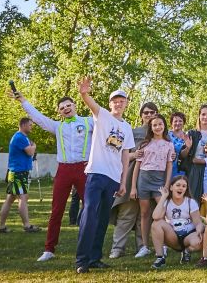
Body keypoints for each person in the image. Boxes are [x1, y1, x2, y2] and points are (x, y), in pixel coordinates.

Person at [15, 91, 95, 262]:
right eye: (62, 107)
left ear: (75, 106)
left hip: (84, 168)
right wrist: (23, 101)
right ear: (59, 112)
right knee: (57, 210)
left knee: (90, 209)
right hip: (64, 170)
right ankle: (49, 249)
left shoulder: (89, 121)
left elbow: (106, 128)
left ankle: (91, 248)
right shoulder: (57, 126)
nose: (66, 108)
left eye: (68, 105)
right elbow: (37, 117)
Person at [74, 80, 135, 274]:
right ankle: (81, 260)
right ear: (110, 104)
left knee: (102, 219)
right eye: (115, 101)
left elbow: (125, 155)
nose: (118, 103)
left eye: (122, 101)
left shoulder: (127, 127)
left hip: (113, 177)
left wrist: (123, 181)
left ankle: (94, 258)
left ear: (126, 104)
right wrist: (84, 94)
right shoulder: (103, 115)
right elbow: (90, 103)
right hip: (96, 173)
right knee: (90, 213)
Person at [109, 100, 157, 259]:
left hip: (150, 180)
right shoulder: (130, 131)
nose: (149, 115)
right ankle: (117, 248)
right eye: (146, 113)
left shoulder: (161, 134)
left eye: (152, 112)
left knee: (145, 216)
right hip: (130, 178)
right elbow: (114, 152)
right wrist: (133, 155)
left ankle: (143, 246)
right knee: (127, 214)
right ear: (141, 115)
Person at [131, 112, 176, 258]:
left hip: (159, 180)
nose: (157, 127)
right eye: (154, 125)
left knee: (162, 214)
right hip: (143, 179)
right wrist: (133, 187)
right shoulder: (144, 144)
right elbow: (137, 167)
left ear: (164, 126)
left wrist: (167, 184)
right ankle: (144, 246)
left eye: (160, 124)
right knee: (144, 214)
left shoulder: (169, 145)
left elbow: (169, 166)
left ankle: (163, 244)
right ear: (151, 127)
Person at [0, 116, 38, 234]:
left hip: (18, 172)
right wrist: (34, 146)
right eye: (30, 125)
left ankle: (1, 226)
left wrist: (31, 146)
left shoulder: (22, 137)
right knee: (23, 198)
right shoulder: (19, 137)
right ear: (23, 125)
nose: (31, 127)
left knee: (10, 199)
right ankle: (27, 225)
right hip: (18, 172)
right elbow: (30, 152)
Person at [149, 175, 202, 268]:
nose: (181, 188)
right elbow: (155, 216)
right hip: (173, 236)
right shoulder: (167, 202)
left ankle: (187, 252)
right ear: (171, 187)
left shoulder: (190, 202)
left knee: (197, 243)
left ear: (186, 189)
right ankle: (160, 257)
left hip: (188, 236)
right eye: (178, 185)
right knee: (156, 223)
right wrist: (163, 197)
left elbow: (198, 222)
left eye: (184, 186)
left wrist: (199, 231)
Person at [185, 104, 207, 202]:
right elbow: (183, 156)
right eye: (203, 114)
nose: (205, 117)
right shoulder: (192, 133)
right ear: (199, 116)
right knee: (193, 199)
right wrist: (188, 147)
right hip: (194, 169)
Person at [168, 112, 191, 177]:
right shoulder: (166, 135)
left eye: (180, 121)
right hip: (167, 167)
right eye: (175, 121)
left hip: (181, 169)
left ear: (183, 123)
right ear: (171, 123)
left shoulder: (187, 137)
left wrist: (188, 147)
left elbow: (185, 155)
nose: (178, 123)